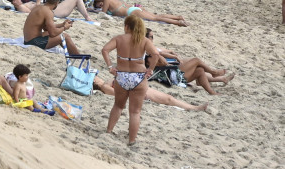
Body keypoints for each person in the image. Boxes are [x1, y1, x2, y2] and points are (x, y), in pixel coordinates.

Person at [102, 14, 159, 146]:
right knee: (135, 111)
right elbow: (156, 54)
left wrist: (110, 66)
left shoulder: (119, 39)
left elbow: (105, 50)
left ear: (127, 26)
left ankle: (109, 131)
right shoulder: (144, 40)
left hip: (121, 75)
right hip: (138, 77)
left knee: (118, 106)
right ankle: (132, 140)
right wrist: (150, 69)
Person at [145, 29, 234, 94]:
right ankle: (213, 72)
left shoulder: (153, 50)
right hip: (172, 76)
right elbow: (163, 62)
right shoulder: (149, 54)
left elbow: (161, 51)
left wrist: (171, 54)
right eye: (151, 37)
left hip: (174, 72)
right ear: (145, 38)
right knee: (196, 60)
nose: (153, 39)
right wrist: (171, 57)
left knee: (200, 70)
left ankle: (211, 91)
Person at [91, 75, 209, 113]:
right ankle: (195, 108)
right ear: (95, 81)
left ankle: (194, 107)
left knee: (169, 98)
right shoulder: (105, 87)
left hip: (138, 88)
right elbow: (120, 95)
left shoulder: (106, 83)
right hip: (138, 93)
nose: (96, 75)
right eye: (95, 76)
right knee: (169, 99)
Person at [91, 0, 187, 26]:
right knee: (156, 16)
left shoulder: (107, 0)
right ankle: (177, 17)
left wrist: (92, 10)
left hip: (131, 12)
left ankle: (178, 22)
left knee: (155, 18)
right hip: (133, 9)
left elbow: (103, 14)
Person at [5, 0, 91, 21]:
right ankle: (87, 17)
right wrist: (38, 2)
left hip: (49, 8)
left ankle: (86, 15)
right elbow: (33, 13)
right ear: (14, 2)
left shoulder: (22, 5)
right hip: (54, 11)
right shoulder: (20, 7)